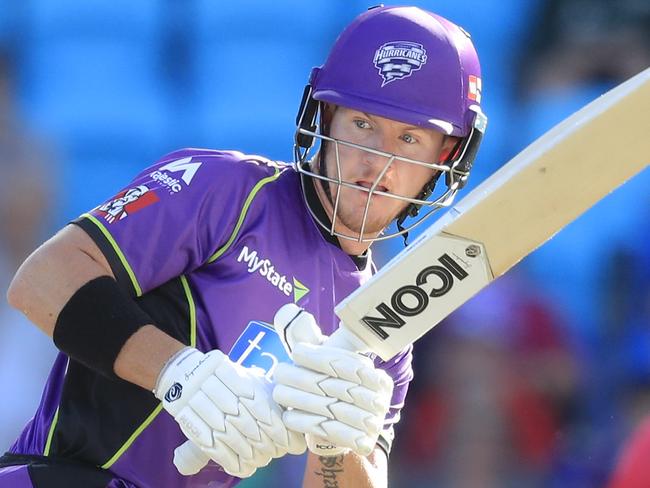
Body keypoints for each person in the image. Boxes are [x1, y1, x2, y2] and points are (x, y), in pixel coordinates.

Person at [2, 5, 486, 487]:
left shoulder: (385, 320)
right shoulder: (228, 191)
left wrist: (338, 442)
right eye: (363, 124)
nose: (378, 163)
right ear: (326, 116)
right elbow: (41, 279)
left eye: (408, 139)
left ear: (444, 159)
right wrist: (177, 373)